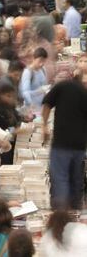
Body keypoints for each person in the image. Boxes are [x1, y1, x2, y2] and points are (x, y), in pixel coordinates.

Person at [41, 70, 87, 210]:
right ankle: (75, 212)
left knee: (61, 180)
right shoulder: (71, 88)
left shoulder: (63, 86)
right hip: (79, 145)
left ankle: (61, 217)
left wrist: (44, 125)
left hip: (62, 143)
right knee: (76, 180)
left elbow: (47, 104)